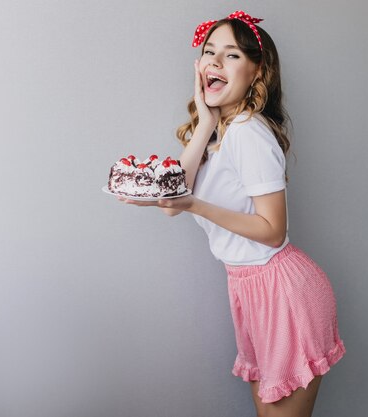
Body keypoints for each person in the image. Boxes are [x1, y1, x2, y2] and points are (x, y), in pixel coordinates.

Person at [118, 10, 345, 417]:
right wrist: (205, 119)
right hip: (251, 288)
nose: (215, 62)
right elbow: (175, 199)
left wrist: (192, 204)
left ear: (258, 73)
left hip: (284, 292)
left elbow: (274, 231)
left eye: (232, 55)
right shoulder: (222, 132)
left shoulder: (248, 133)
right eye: (209, 53)